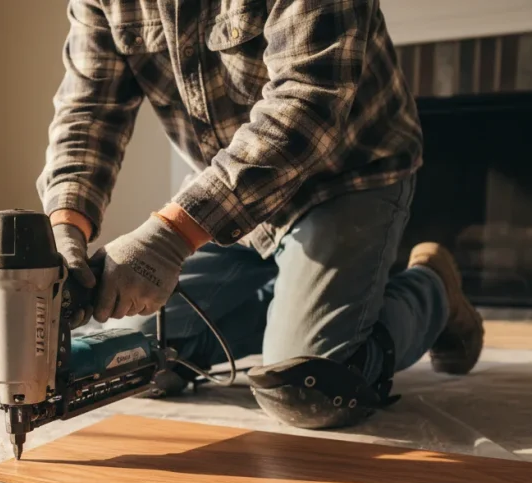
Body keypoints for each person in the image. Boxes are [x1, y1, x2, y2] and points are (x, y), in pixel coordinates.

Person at [37, 0, 484, 429]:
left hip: (346, 175)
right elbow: (88, 110)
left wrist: (171, 236)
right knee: (134, 358)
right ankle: (299, 298)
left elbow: (310, 98)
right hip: (230, 197)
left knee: (311, 385)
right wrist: (66, 226)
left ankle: (433, 289)